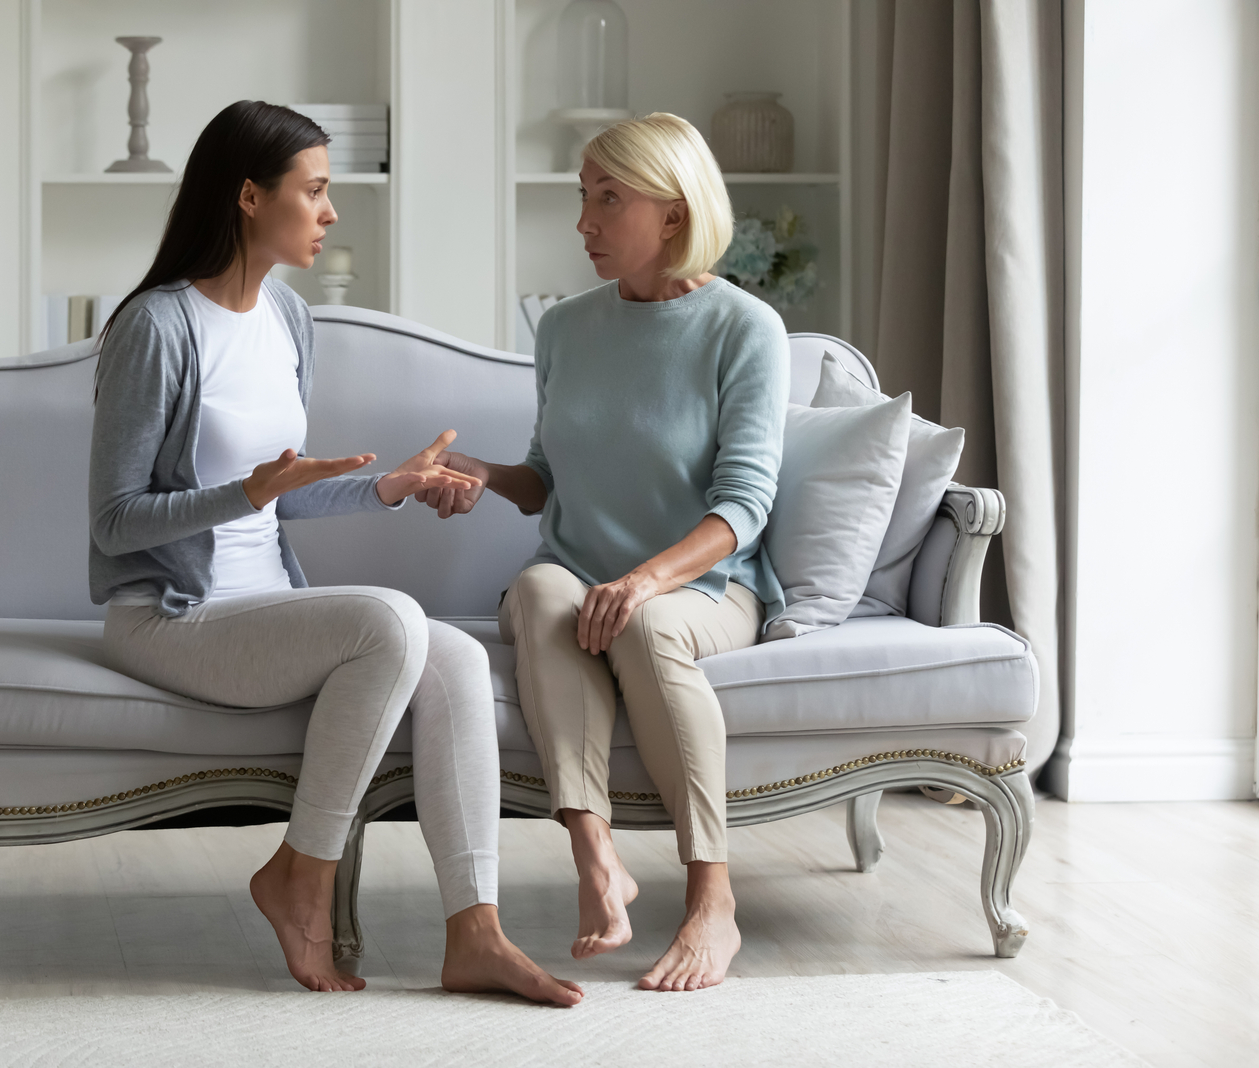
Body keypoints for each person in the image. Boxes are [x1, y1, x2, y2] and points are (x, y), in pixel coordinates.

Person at [90, 99, 581, 1004]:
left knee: (461, 658)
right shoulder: (155, 329)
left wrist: (386, 487)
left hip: (265, 605)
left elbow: (282, 496)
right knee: (390, 620)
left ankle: (475, 929)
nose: (330, 211)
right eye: (314, 190)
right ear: (247, 195)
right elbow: (116, 522)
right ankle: (302, 872)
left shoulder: (288, 318)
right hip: (170, 618)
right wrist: (249, 493)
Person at [415, 113, 788, 992]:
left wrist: (643, 580)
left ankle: (712, 900)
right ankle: (596, 856)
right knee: (543, 593)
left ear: (673, 210)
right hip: (582, 571)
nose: (584, 221)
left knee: (642, 627)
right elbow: (547, 480)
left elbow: (744, 508)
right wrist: (479, 473)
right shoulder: (566, 329)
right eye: (582, 197)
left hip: (704, 583)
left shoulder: (746, 329)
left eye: (608, 199)